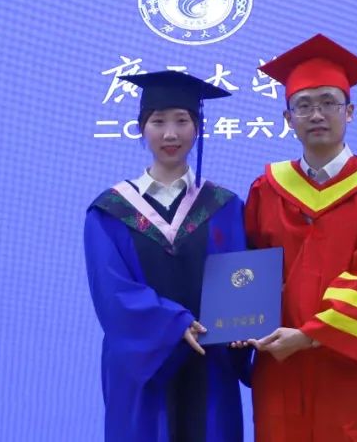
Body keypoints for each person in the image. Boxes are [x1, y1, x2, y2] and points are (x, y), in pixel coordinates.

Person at [243, 34, 357, 441]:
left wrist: (310, 336)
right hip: (279, 362)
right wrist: (240, 324)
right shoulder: (267, 189)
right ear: (288, 119)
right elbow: (249, 272)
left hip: (346, 361)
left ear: (350, 111)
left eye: (329, 102)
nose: (317, 114)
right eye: (304, 105)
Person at [83, 70, 250, 442]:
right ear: (141, 128)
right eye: (158, 122)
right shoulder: (109, 211)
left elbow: (241, 280)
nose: (170, 134)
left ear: (198, 128)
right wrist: (174, 324)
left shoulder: (224, 207)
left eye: (182, 121)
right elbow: (112, 292)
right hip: (141, 370)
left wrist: (243, 329)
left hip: (210, 362)